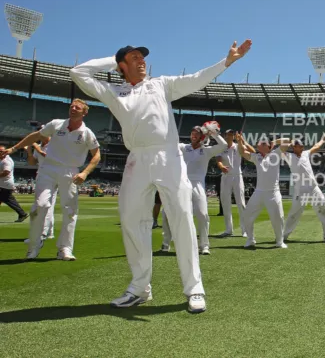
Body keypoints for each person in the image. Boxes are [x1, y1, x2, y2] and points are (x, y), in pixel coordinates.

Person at [69, 40, 251, 313]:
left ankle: (195, 289)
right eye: (134, 58)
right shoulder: (113, 92)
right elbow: (78, 73)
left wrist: (226, 62)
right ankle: (140, 288)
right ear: (122, 66)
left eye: (142, 57)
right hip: (137, 159)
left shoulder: (161, 84)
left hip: (168, 157)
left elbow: (195, 79)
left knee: (181, 218)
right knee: (132, 220)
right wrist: (115, 60)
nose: (142, 61)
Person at [0, 99, 101, 261]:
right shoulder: (56, 124)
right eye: (71, 106)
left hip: (71, 171)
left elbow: (96, 155)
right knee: (40, 206)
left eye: (77, 107)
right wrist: (13, 148)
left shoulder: (87, 133)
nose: (73, 109)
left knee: (69, 210)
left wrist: (85, 173)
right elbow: (35, 136)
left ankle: (65, 249)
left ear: (84, 112)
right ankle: (34, 245)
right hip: (49, 168)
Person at [161, 124, 227, 255]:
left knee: (202, 214)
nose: (193, 136)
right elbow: (168, 143)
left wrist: (214, 133)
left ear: (202, 137)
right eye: (192, 133)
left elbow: (223, 145)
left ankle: (204, 245)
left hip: (198, 185)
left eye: (196, 134)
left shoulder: (207, 151)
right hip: (181, 184)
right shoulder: (183, 147)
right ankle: (166, 242)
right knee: (166, 213)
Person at [238, 135, 290, 248]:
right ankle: (250, 239)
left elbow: (287, 141)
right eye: (259, 143)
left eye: (262, 143)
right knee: (247, 215)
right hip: (259, 192)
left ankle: (279, 242)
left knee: (278, 218)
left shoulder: (276, 153)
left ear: (268, 146)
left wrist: (274, 142)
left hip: (273, 192)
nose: (259, 145)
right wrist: (239, 141)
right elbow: (242, 152)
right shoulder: (256, 157)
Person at [282, 134, 325, 242]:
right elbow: (281, 148)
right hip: (300, 189)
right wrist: (290, 142)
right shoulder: (288, 156)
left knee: (323, 208)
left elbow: (316, 146)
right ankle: (283, 236)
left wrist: (323, 139)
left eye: (302, 146)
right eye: (299, 146)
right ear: (294, 147)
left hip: (313, 187)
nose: (302, 147)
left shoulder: (305, 154)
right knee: (294, 213)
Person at [217, 130, 249, 237]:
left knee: (241, 203)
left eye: (232, 134)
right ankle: (228, 230)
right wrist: (221, 166)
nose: (230, 136)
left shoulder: (237, 146)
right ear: (225, 136)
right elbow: (218, 159)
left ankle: (244, 230)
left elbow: (246, 151)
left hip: (237, 176)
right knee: (225, 203)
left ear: (234, 136)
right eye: (228, 134)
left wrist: (241, 140)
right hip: (226, 176)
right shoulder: (221, 146)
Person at [25, 135, 57, 240]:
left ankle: (42, 233)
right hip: (41, 176)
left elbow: (47, 157)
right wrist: (29, 151)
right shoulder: (38, 146)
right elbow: (32, 163)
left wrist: (35, 147)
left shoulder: (54, 146)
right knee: (47, 204)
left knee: (44, 204)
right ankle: (49, 232)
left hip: (52, 176)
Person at [0, 145, 30, 222]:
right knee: (8, 199)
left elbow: (6, 172)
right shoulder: (2, 159)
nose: (0, 153)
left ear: (5, 151)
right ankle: (22, 214)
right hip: (4, 184)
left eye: (1, 151)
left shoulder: (7, 161)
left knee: (9, 200)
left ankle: (22, 214)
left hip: (4, 184)